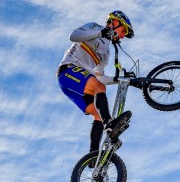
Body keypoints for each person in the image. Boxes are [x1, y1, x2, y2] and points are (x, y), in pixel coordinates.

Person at [57, 11, 135, 153]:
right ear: (115, 22)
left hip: (78, 83)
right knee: (99, 90)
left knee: (98, 113)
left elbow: (99, 77)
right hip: (68, 70)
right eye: (123, 31)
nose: (123, 36)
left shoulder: (106, 53)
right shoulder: (95, 27)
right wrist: (101, 33)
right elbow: (73, 36)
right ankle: (110, 125)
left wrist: (118, 80)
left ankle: (92, 155)